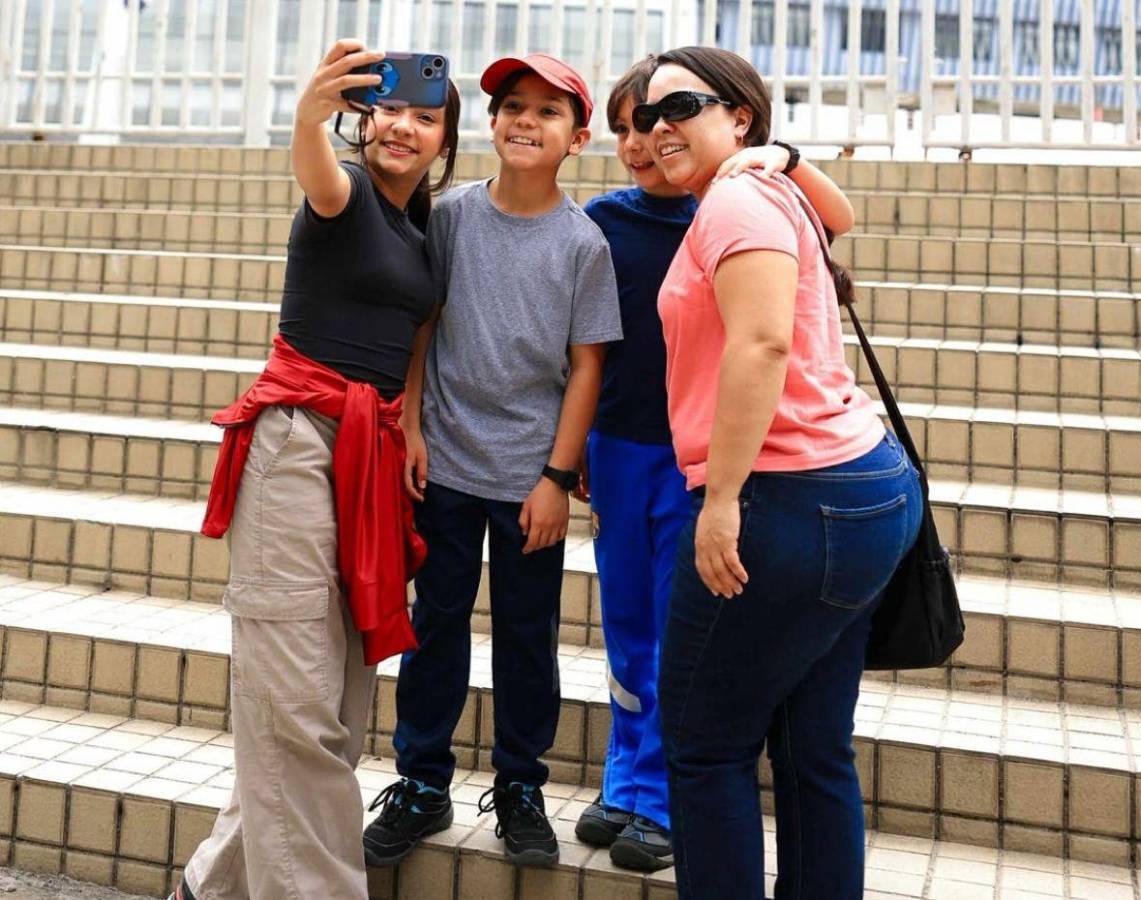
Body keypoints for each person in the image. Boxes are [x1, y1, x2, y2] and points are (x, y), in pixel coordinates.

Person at [172, 39, 459, 900]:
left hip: (367, 461)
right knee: (296, 711)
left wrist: (408, 419)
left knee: (329, 709)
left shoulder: (422, 230)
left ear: (446, 137)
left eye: (426, 116)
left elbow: (418, 335)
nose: (404, 126)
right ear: (363, 120)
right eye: (389, 111)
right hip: (296, 449)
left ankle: (207, 888)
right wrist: (308, 109)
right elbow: (314, 168)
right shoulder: (343, 197)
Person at [645, 47, 923, 900]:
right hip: (863, 489)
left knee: (703, 745)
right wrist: (787, 156)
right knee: (813, 748)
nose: (660, 129)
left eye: (681, 106)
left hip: (789, 499)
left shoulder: (735, 199)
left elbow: (760, 344)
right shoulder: (768, 188)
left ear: (739, 115)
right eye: (649, 116)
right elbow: (843, 215)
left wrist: (722, 498)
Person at [573, 57, 857, 874]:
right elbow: (584, 349)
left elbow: (835, 225)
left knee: (677, 628)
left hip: (701, 459)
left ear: (730, 119)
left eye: (663, 118)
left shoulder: (730, 201)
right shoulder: (602, 220)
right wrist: (579, 451)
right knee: (626, 622)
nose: (644, 140)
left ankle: (661, 795)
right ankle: (626, 776)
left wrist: (783, 155)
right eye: (629, 125)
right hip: (622, 450)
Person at [362, 53, 621, 870]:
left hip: (526, 484)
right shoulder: (453, 219)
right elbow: (422, 325)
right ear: (492, 120)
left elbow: (587, 365)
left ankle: (519, 786)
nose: (525, 121)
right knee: (434, 626)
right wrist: (409, 426)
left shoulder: (584, 244)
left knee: (525, 636)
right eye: (514, 105)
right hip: (442, 464)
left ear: (577, 139)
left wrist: (555, 477)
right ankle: (422, 781)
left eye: (549, 112)